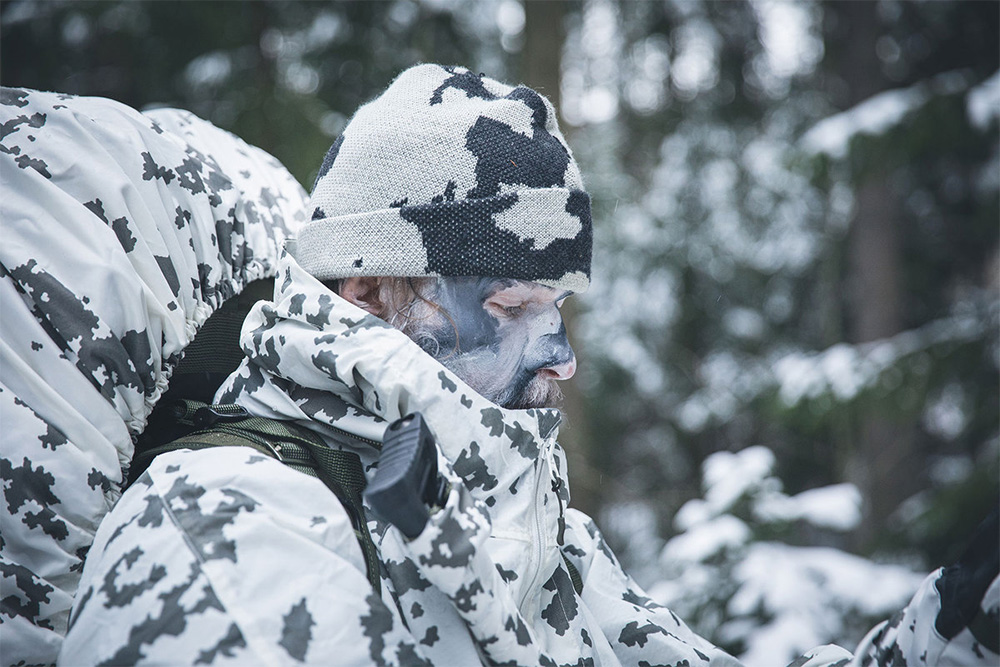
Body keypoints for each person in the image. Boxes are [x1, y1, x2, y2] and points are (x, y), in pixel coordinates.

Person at [56, 65, 996, 666]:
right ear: (369, 291)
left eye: (561, 304)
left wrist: (955, 631)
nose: (563, 355)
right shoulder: (228, 539)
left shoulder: (509, 519)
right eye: (512, 305)